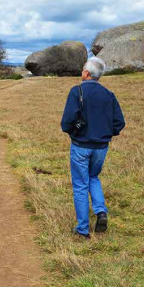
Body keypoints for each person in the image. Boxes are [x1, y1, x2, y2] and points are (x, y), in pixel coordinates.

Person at [60, 57, 125, 239]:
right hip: (101, 147)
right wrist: (106, 135)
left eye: (83, 70)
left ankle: (82, 230)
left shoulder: (77, 91)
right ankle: (101, 211)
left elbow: (66, 122)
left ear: (86, 73)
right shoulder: (109, 94)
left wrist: (74, 133)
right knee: (93, 177)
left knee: (80, 185)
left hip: (81, 146)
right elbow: (119, 122)